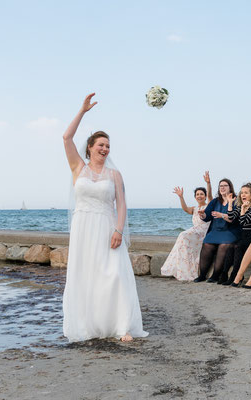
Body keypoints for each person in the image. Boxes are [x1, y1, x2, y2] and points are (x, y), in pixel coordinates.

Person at [62, 93, 148, 342]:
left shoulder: (114, 175)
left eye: (108, 145)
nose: (105, 148)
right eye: (100, 144)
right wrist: (82, 111)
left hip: (107, 226)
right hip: (83, 227)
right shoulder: (79, 168)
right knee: (86, 275)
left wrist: (118, 230)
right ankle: (89, 326)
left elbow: (122, 205)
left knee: (115, 274)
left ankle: (123, 326)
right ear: (89, 147)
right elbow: (66, 137)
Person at [160, 172, 213, 281]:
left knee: (183, 235)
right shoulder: (194, 208)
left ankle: (184, 270)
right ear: (195, 197)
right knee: (182, 238)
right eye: (197, 194)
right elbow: (185, 208)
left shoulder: (209, 206)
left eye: (201, 194)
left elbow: (210, 196)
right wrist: (181, 197)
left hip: (204, 232)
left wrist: (208, 183)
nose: (199, 196)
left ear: (205, 195)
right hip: (194, 232)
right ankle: (183, 270)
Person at [193, 178, 241, 283]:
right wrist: (203, 214)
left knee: (224, 246)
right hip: (215, 231)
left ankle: (215, 275)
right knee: (207, 244)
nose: (222, 188)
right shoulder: (215, 201)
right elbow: (207, 216)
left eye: (225, 186)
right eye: (220, 186)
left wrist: (221, 215)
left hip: (230, 231)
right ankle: (202, 275)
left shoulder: (236, 200)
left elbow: (235, 219)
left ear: (230, 187)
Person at [220, 183, 251, 285]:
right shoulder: (240, 207)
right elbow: (231, 217)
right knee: (231, 246)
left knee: (238, 247)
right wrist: (230, 203)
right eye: (242, 192)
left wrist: (243, 209)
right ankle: (225, 274)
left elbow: (243, 222)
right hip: (244, 234)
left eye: (246, 193)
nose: (243, 194)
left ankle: (236, 275)